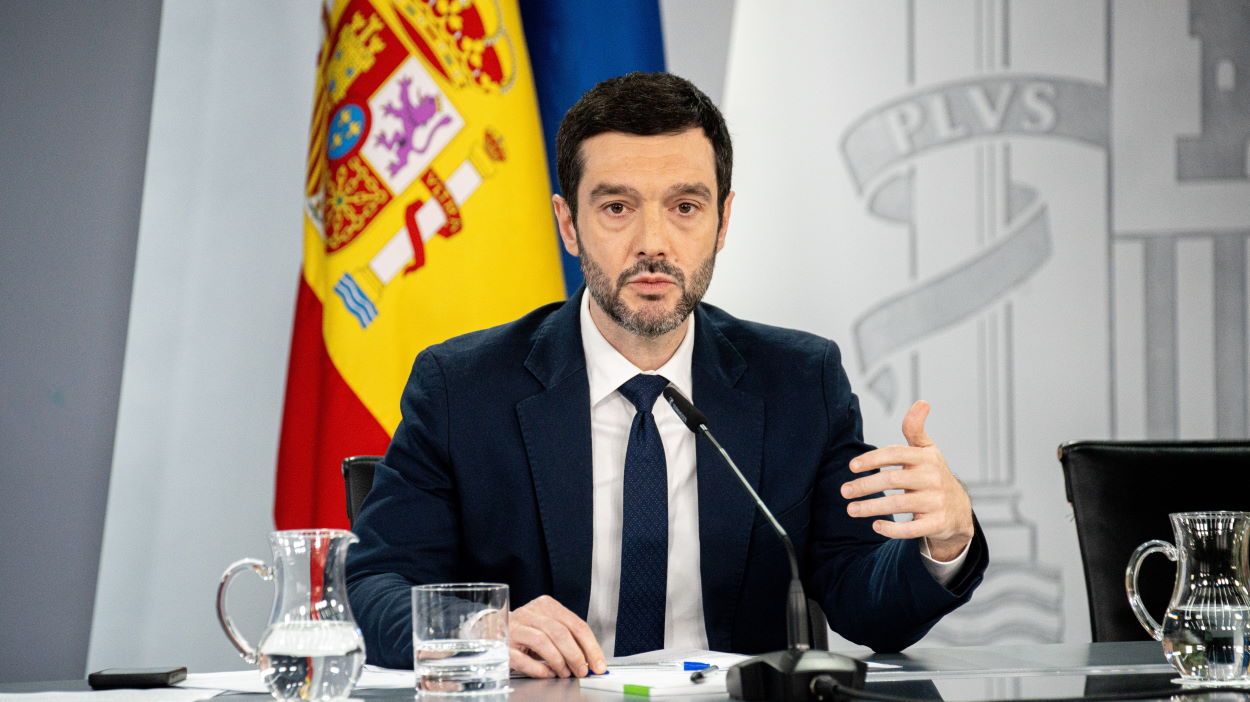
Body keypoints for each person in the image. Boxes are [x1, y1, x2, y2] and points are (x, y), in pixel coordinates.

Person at [346, 72, 988, 677]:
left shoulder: (799, 382)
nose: (653, 242)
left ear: (723, 222)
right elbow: (375, 588)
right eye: (618, 207)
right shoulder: (463, 388)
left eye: (685, 206)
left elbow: (865, 602)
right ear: (568, 224)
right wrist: (483, 628)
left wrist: (946, 543)